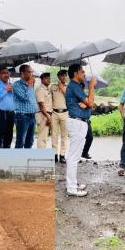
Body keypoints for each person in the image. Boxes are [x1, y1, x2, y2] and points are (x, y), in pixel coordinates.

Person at [65, 63, 97, 197]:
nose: (84, 74)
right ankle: (71, 188)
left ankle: (73, 183)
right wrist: (91, 87)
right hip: (77, 123)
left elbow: (90, 103)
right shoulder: (73, 85)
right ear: (75, 74)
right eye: (82, 72)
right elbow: (90, 102)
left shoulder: (76, 87)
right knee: (73, 157)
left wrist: (86, 103)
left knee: (75, 156)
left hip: (79, 122)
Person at [13, 64, 38, 148]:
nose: (31, 74)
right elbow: (24, 97)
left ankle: (26, 159)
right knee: (20, 141)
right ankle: (18, 160)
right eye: (29, 72)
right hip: (22, 116)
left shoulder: (30, 85)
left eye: (31, 72)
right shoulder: (17, 85)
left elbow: (32, 99)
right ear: (22, 74)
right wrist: (30, 85)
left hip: (32, 116)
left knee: (30, 141)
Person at [50, 70, 68, 164]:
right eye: (62, 76)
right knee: (54, 135)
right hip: (54, 113)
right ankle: (55, 155)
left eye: (65, 76)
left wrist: (62, 89)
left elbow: (69, 98)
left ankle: (62, 155)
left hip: (65, 113)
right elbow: (48, 99)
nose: (64, 77)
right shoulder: (52, 87)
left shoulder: (69, 87)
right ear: (58, 77)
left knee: (64, 136)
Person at [36, 72, 53, 148]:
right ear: (42, 79)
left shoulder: (48, 88)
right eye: (46, 78)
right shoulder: (40, 89)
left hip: (48, 114)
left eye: (49, 78)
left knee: (45, 137)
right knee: (42, 137)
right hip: (43, 114)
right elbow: (41, 105)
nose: (49, 80)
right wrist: (48, 116)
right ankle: (41, 157)